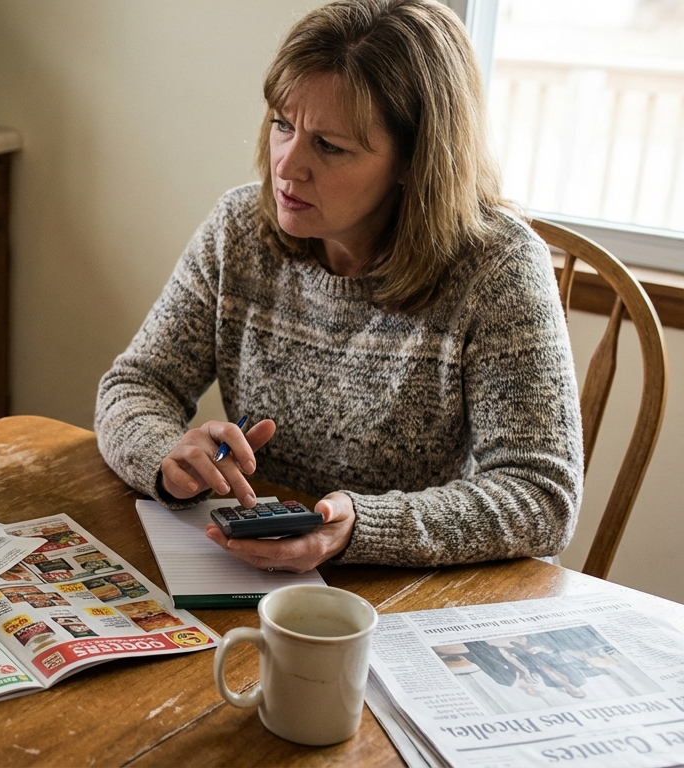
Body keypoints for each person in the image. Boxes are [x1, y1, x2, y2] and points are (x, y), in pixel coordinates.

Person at [94, 0, 583, 572]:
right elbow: (136, 383)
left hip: (405, 593)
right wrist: (168, 458)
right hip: (249, 572)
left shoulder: (497, 267)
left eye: (329, 146)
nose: (286, 166)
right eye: (283, 124)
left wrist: (359, 529)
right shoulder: (239, 230)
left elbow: (541, 495)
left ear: (413, 160)